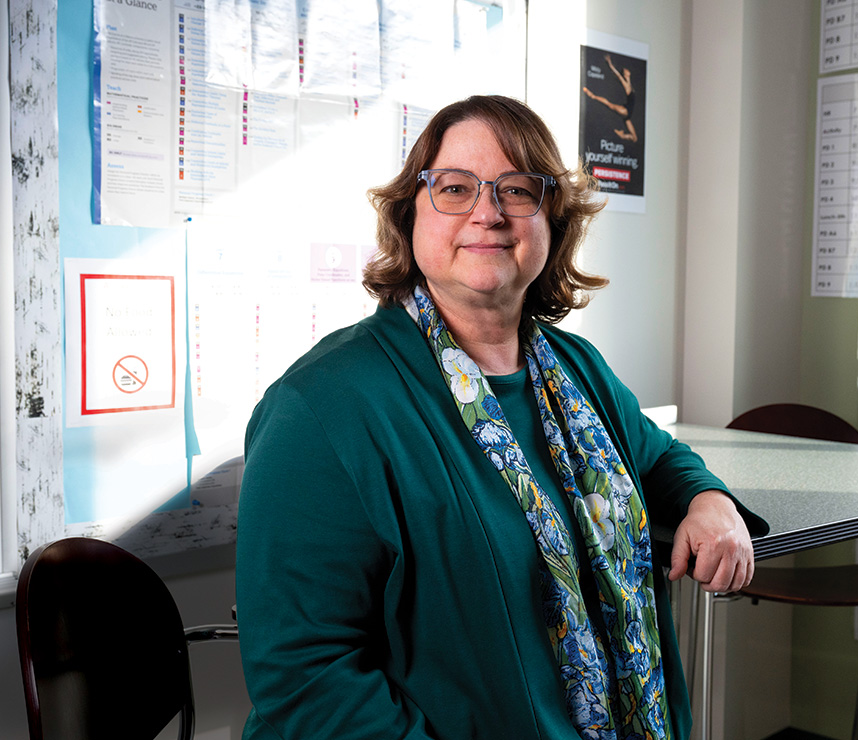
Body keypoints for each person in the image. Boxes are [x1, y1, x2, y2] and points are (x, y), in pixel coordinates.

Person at [236, 95, 767, 740]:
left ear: (552, 223)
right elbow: (307, 680)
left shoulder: (572, 367)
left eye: (517, 190)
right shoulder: (322, 407)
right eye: (454, 188)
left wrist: (709, 499)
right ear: (410, 216)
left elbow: (655, 457)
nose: (487, 214)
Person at [583, 53, 638, 142]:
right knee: (609, 105)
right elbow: (618, 75)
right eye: (625, 70)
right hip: (626, 110)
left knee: (635, 138)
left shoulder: (629, 84)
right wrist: (610, 64)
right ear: (625, 74)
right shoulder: (626, 85)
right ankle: (593, 96)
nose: (627, 70)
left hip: (628, 115)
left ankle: (622, 135)